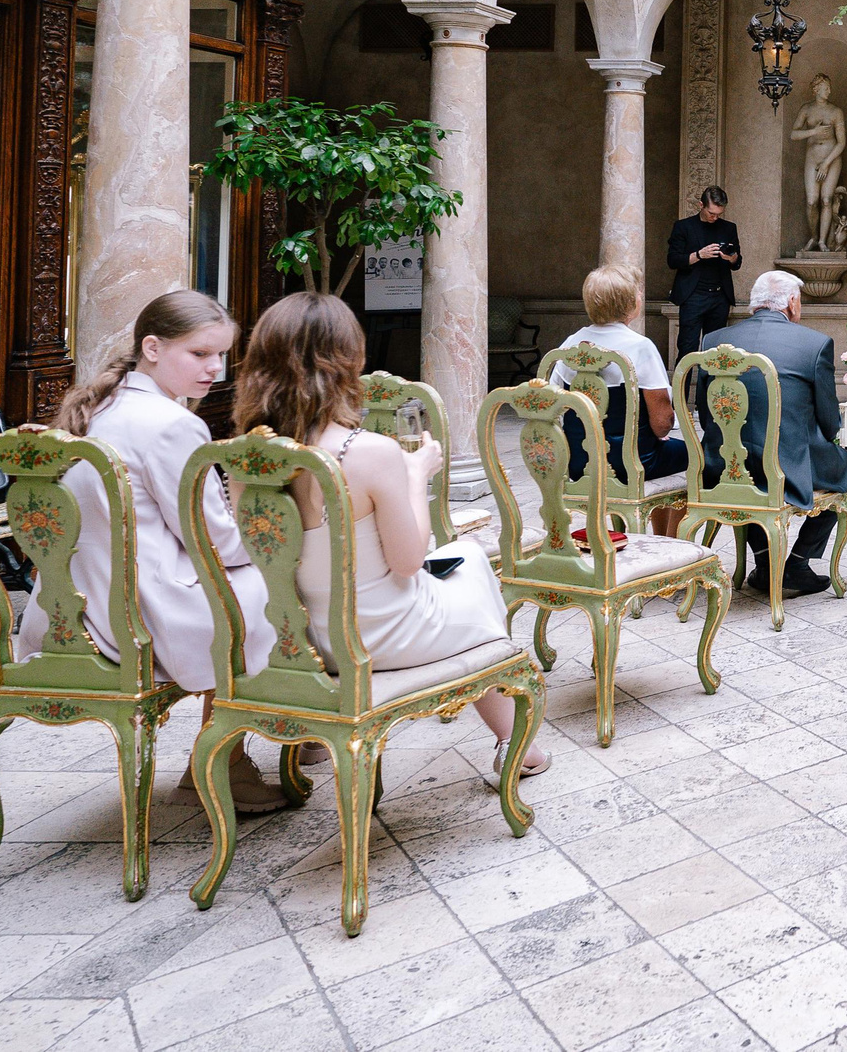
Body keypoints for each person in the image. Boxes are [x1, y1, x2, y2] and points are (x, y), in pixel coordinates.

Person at [237, 292, 545, 779]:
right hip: (379, 636)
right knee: (469, 557)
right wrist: (416, 474)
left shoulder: (241, 458)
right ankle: (513, 739)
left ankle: (313, 742)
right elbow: (408, 562)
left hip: (294, 642)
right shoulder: (367, 451)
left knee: (459, 563)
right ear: (347, 360)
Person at [31, 291, 290, 813]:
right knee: (284, 585)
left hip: (67, 608)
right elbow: (214, 542)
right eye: (199, 354)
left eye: (221, 355)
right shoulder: (173, 424)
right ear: (152, 347)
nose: (214, 369)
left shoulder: (101, 405)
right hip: (142, 613)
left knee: (263, 581)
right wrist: (283, 528)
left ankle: (275, 745)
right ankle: (229, 758)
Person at [697, 270, 847, 598]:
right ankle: (797, 564)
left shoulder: (712, 342)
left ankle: (763, 562)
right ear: (790, 302)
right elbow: (830, 424)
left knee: (742, 473)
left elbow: (705, 413)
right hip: (784, 467)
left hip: (722, 465)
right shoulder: (813, 343)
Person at [551, 265, 689, 499]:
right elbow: (662, 423)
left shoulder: (570, 345)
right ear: (631, 304)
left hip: (578, 463)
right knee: (695, 453)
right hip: (632, 463)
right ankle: (665, 534)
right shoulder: (639, 347)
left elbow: (554, 408)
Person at [666, 186, 738, 360]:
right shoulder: (684, 227)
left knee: (715, 353)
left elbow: (737, 262)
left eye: (718, 214)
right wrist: (699, 255)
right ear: (701, 205)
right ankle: (681, 388)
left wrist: (731, 258)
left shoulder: (728, 228)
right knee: (687, 349)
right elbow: (673, 260)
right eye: (711, 213)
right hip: (693, 296)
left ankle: (709, 388)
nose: (715, 217)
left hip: (720, 296)